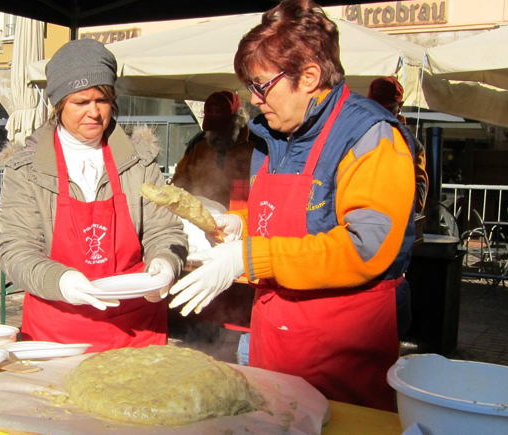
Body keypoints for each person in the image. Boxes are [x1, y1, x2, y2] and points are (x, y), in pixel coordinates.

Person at [168, 0, 418, 412]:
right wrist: (240, 224)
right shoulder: (274, 135)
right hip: (275, 338)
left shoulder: (371, 137)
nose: (253, 98)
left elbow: (367, 247)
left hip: (340, 354)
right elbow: (287, 219)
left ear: (309, 76)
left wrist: (249, 257)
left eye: (261, 84)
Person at [0, 39, 188, 351]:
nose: (94, 113)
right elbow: (16, 251)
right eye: (81, 102)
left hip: (135, 330)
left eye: (102, 100)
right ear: (57, 105)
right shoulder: (26, 171)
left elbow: (164, 230)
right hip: (57, 333)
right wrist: (61, 281)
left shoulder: (139, 162)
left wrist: (166, 262)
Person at [171, 91, 259, 209]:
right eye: (212, 128)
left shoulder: (256, 145)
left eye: (222, 127)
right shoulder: (197, 145)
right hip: (203, 215)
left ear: (238, 119)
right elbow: (180, 183)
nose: (217, 133)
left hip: (242, 218)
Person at [367, 76, 428, 214]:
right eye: (376, 108)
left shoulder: (412, 146)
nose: (380, 114)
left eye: (387, 109)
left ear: (399, 107)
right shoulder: (357, 135)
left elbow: (418, 202)